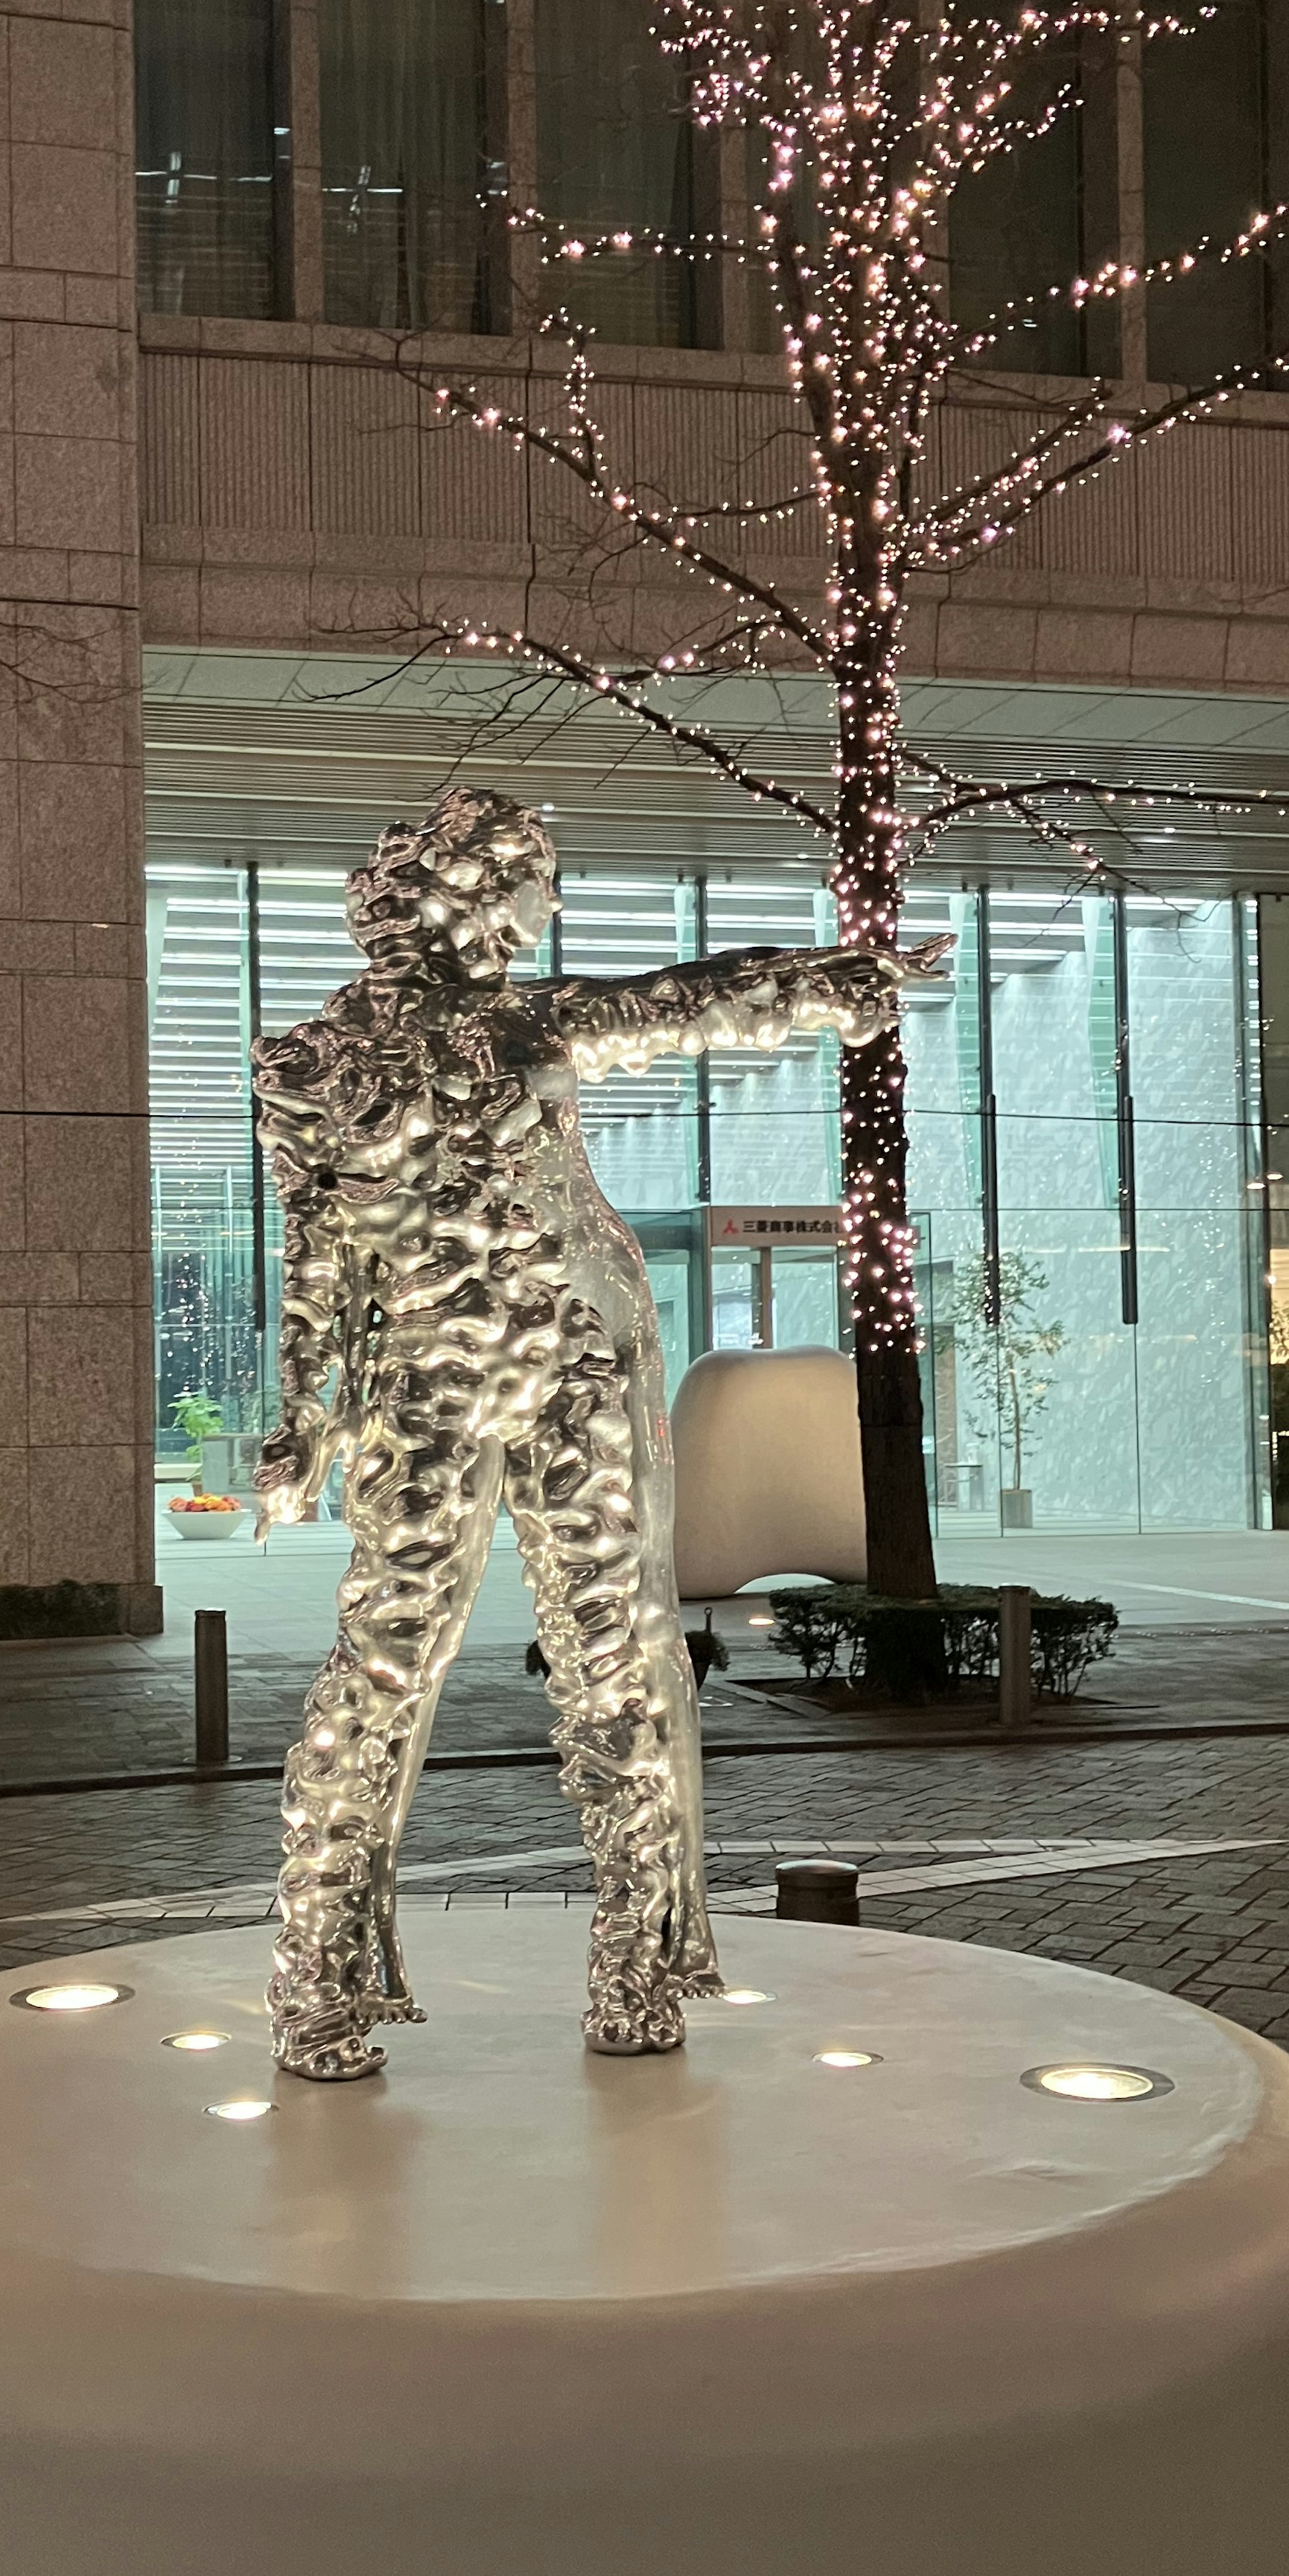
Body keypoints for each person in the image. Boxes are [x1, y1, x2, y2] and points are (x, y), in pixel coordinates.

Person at [250, 788, 925, 2081]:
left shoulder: (437, 1040)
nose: (543, 908)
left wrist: (829, 983)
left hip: (511, 1378)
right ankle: (380, 1974)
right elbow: (321, 1254)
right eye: (530, 881)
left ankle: (578, 1965)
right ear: (462, 889)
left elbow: (684, 998)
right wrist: (302, 1417)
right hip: (492, 1382)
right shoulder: (353, 1058)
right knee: (490, 1663)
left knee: (528, 1661)